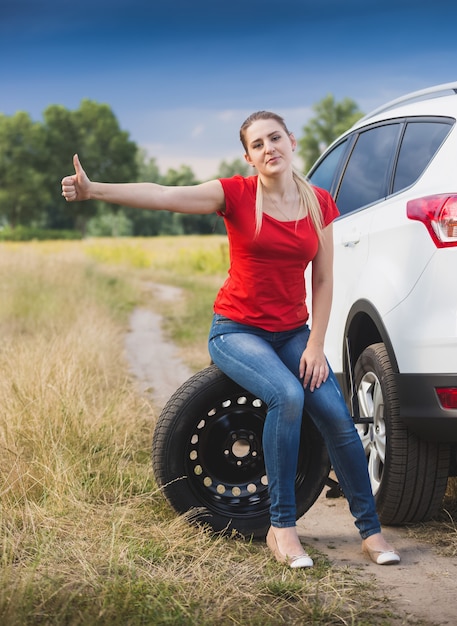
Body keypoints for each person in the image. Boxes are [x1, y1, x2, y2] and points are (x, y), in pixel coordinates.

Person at [61, 110, 400, 568]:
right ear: (249, 157)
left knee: (337, 415)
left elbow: (323, 280)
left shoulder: (319, 201)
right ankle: (281, 531)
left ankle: (371, 532)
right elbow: (164, 195)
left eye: (274, 138)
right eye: (258, 144)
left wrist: (317, 344)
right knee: (286, 395)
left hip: (294, 334)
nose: (269, 148)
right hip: (236, 330)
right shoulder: (236, 195)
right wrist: (93, 189)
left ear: (292, 141)